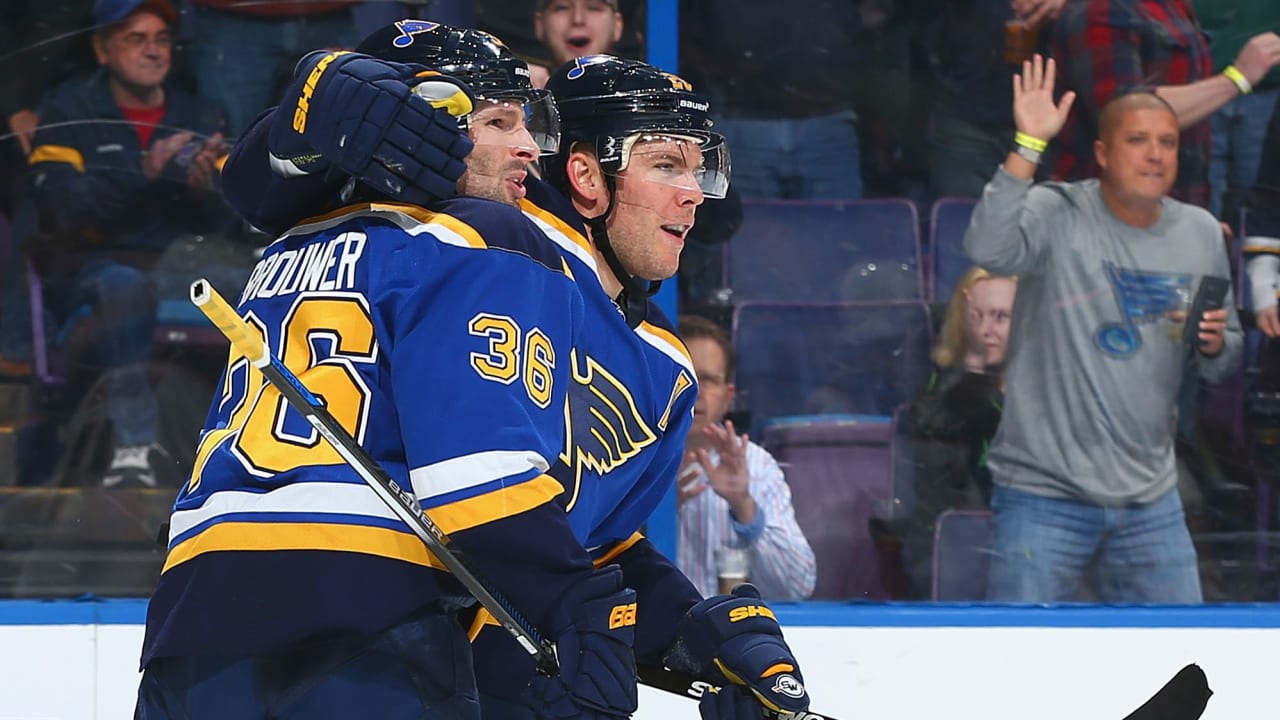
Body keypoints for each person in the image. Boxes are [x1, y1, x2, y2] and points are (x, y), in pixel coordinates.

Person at [212, 22, 811, 720]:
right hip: (369, 638)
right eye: (667, 165)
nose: (695, 195)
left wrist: (694, 633)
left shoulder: (663, 365)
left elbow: (586, 542)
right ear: (586, 175)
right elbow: (265, 183)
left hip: (378, 649)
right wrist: (319, 93)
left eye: (699, 168)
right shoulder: (477, 232)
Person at [136, 25, 632, 720]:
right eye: (499, 120)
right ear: (421, 119)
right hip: (363, 626)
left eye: (531, 124)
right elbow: (475, 478)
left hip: (192, 625)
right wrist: (577, 603)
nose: (528, 148)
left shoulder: (289, 244)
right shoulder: (481, 234)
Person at [965, 55, 1243, 603]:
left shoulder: (1202, 232)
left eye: (1167, 142)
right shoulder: (1055, 210)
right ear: (1102, 154)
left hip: (1151, 498)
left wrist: (1212, 343)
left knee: (1178, 665)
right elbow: (985, 249)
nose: (1156, 154)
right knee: (1018, 656)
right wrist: (1028, 147)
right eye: (1138, 140)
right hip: (1042, 493)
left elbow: (1225, 353)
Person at [19, 0, 230, 487]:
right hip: (95, 266)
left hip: (180, 265)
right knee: (123, 285)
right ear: (101, 49)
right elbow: (59, 210)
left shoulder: (198, 110)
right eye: (136, 39)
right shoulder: (68, 111)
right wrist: (144, 174)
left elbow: (231, 225)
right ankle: (134, 443)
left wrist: (208, 188)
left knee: (252, 280)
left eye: (160, 39)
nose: (153, 51)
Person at [1049, 0, 1280, 208]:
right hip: (1113, 215)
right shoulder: (1099, 10)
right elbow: (1125, 113)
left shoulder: (1172, 6)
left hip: (1177, 206)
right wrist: (1237, 78)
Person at [676, 314, 816, 602]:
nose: (695, 391)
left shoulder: (757, 466)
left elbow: (798, 587)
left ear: (728, 397)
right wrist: (652, 514)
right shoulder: (625, 455)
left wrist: (744, 505)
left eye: (709, 380)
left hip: (728, 637)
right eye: (685, 374)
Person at [902, 266, 1015, 598]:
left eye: (1001, 317)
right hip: (951, 546)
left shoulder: (1043, 391)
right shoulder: (941, 392)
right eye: (976, 317)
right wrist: (977, 373)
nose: (986, 331)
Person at [1194, 0, 1280, 219]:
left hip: (1266, 88)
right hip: (1205, 87)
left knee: (1254, 185)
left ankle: (1247, 245)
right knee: (1205, 180)